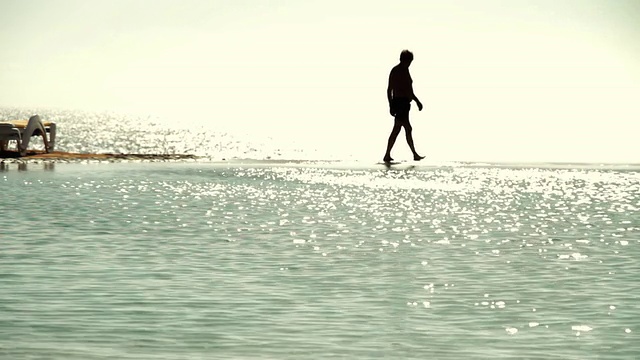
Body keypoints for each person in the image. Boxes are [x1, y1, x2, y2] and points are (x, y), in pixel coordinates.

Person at [383, 49, 425, 163]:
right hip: (399, 103)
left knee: (398, 129)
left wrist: (416, 101)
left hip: (405, 104)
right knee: (406, 128)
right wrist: (390, 104)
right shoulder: (396, 71)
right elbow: (390, 89)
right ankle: (414, 154)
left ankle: (388, 154)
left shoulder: (405, 70)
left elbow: (409, 90)